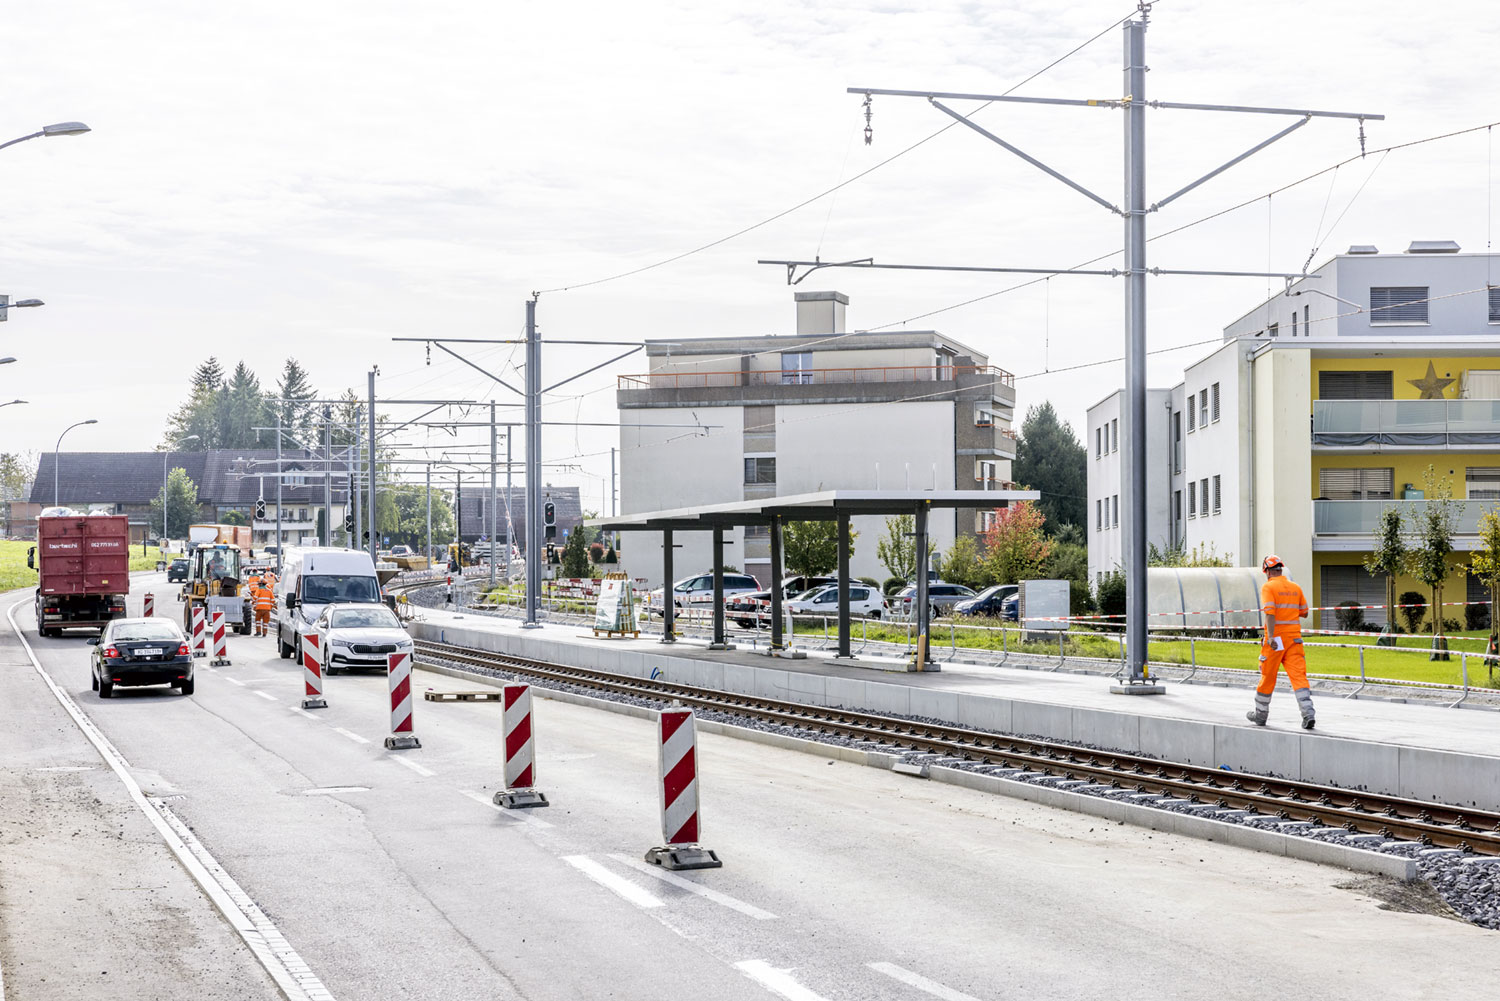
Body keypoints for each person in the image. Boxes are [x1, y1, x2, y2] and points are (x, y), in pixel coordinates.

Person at [1248, 555, 1315, 729]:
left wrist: (1270, 637)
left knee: (1268, 676)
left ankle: (1261, 715)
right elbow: (1305, 612)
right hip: (1294, 639)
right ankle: (1308, 713)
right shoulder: (1295, 587)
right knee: (1298, 677)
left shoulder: (1268, 587)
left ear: (1267, 571)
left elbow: (1270, 613)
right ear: (1281, 569)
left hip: (1275, 640)